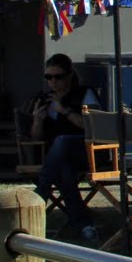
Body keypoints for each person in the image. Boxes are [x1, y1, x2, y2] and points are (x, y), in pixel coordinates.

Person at [30, 53, 100, 243]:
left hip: (86, 152)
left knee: (62, 141)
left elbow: (93, 126)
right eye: (48, 77)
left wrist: (64, 111)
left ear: (69, 76)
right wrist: (37, 121)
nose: (53, 82)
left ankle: (40, 193)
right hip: (58, 159)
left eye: (58, 77)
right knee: (65, 173)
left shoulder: (84, 93)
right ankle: (85, 227)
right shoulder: (44, 99)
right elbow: (36, 138)